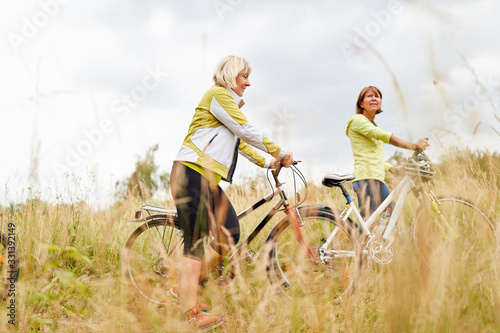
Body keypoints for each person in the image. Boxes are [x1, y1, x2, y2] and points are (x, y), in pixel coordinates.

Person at [169, 55, 294, 330]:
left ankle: (185, 287)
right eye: (244, 76)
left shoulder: (227, 106)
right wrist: (280, 151)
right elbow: (246, 130)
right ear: (229, 75)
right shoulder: (217, 95)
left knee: (231, 232)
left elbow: (242, 143)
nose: (249, 82)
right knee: (196, 241)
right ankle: (190, 311)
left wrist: (270, 161)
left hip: (207, 178)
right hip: (190, 172)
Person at [346, 86, 429, 218]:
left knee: (390, 216)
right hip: (367, 179)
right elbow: (382, 136)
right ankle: (362, 239)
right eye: (369, 96)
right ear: (361, 103)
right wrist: (412, 146)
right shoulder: (357, 120)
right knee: (371, 221)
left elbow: (371, 156)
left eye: (377, 96)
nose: (374, 98)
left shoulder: (372, 124)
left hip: (376, 178)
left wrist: (392, 168)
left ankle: (371, 238)